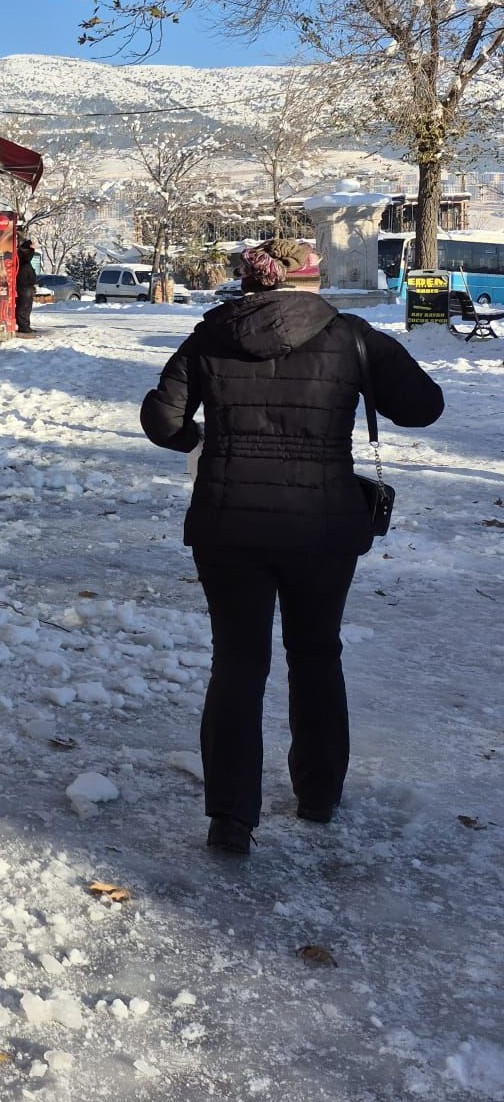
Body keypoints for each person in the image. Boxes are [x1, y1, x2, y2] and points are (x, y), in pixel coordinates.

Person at [140, 237, 442, 855]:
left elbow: (162, 420)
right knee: (316, 653)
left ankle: (231, 819)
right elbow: (423, 408)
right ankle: (319, 793)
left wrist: (201, 440)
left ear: (250, 280)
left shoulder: (210, 335)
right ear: (311, 279)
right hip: (323, 526)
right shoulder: (352, 337)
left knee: (237, 662)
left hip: (229, 525)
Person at [15, 238, 38, 334]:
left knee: (27, 307)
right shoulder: (23, 257)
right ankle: (23, 326)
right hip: (24, 285)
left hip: (27, 285)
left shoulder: (23, 259)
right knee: (24, 306)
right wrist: (32, 248)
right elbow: (27, 257)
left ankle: (25, 325)